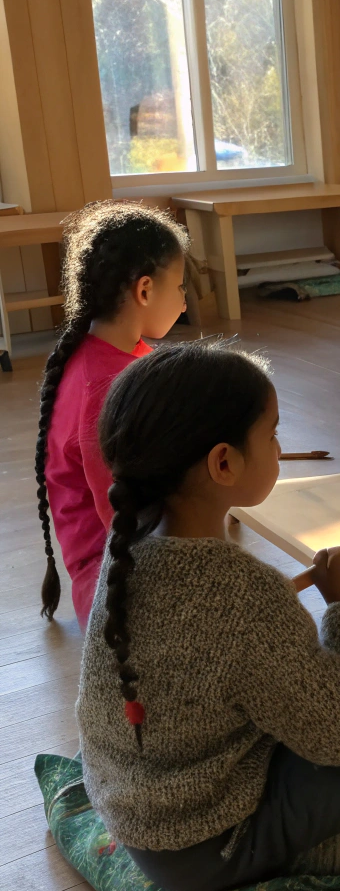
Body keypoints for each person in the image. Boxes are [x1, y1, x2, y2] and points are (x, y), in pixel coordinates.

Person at [76, 340, 340, 891]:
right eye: (274, 434)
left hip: (136, 808)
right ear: (224, 462)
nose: (281, 448)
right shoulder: (243, 596)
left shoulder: (126, 548)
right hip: (207, 849)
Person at [37, 201, 190, 630]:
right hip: (113, 580)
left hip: (123, 557)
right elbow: (119, 517)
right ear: (144, 291)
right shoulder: (102, 388)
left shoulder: (111, 355)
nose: (183, 300)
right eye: (179, 286)